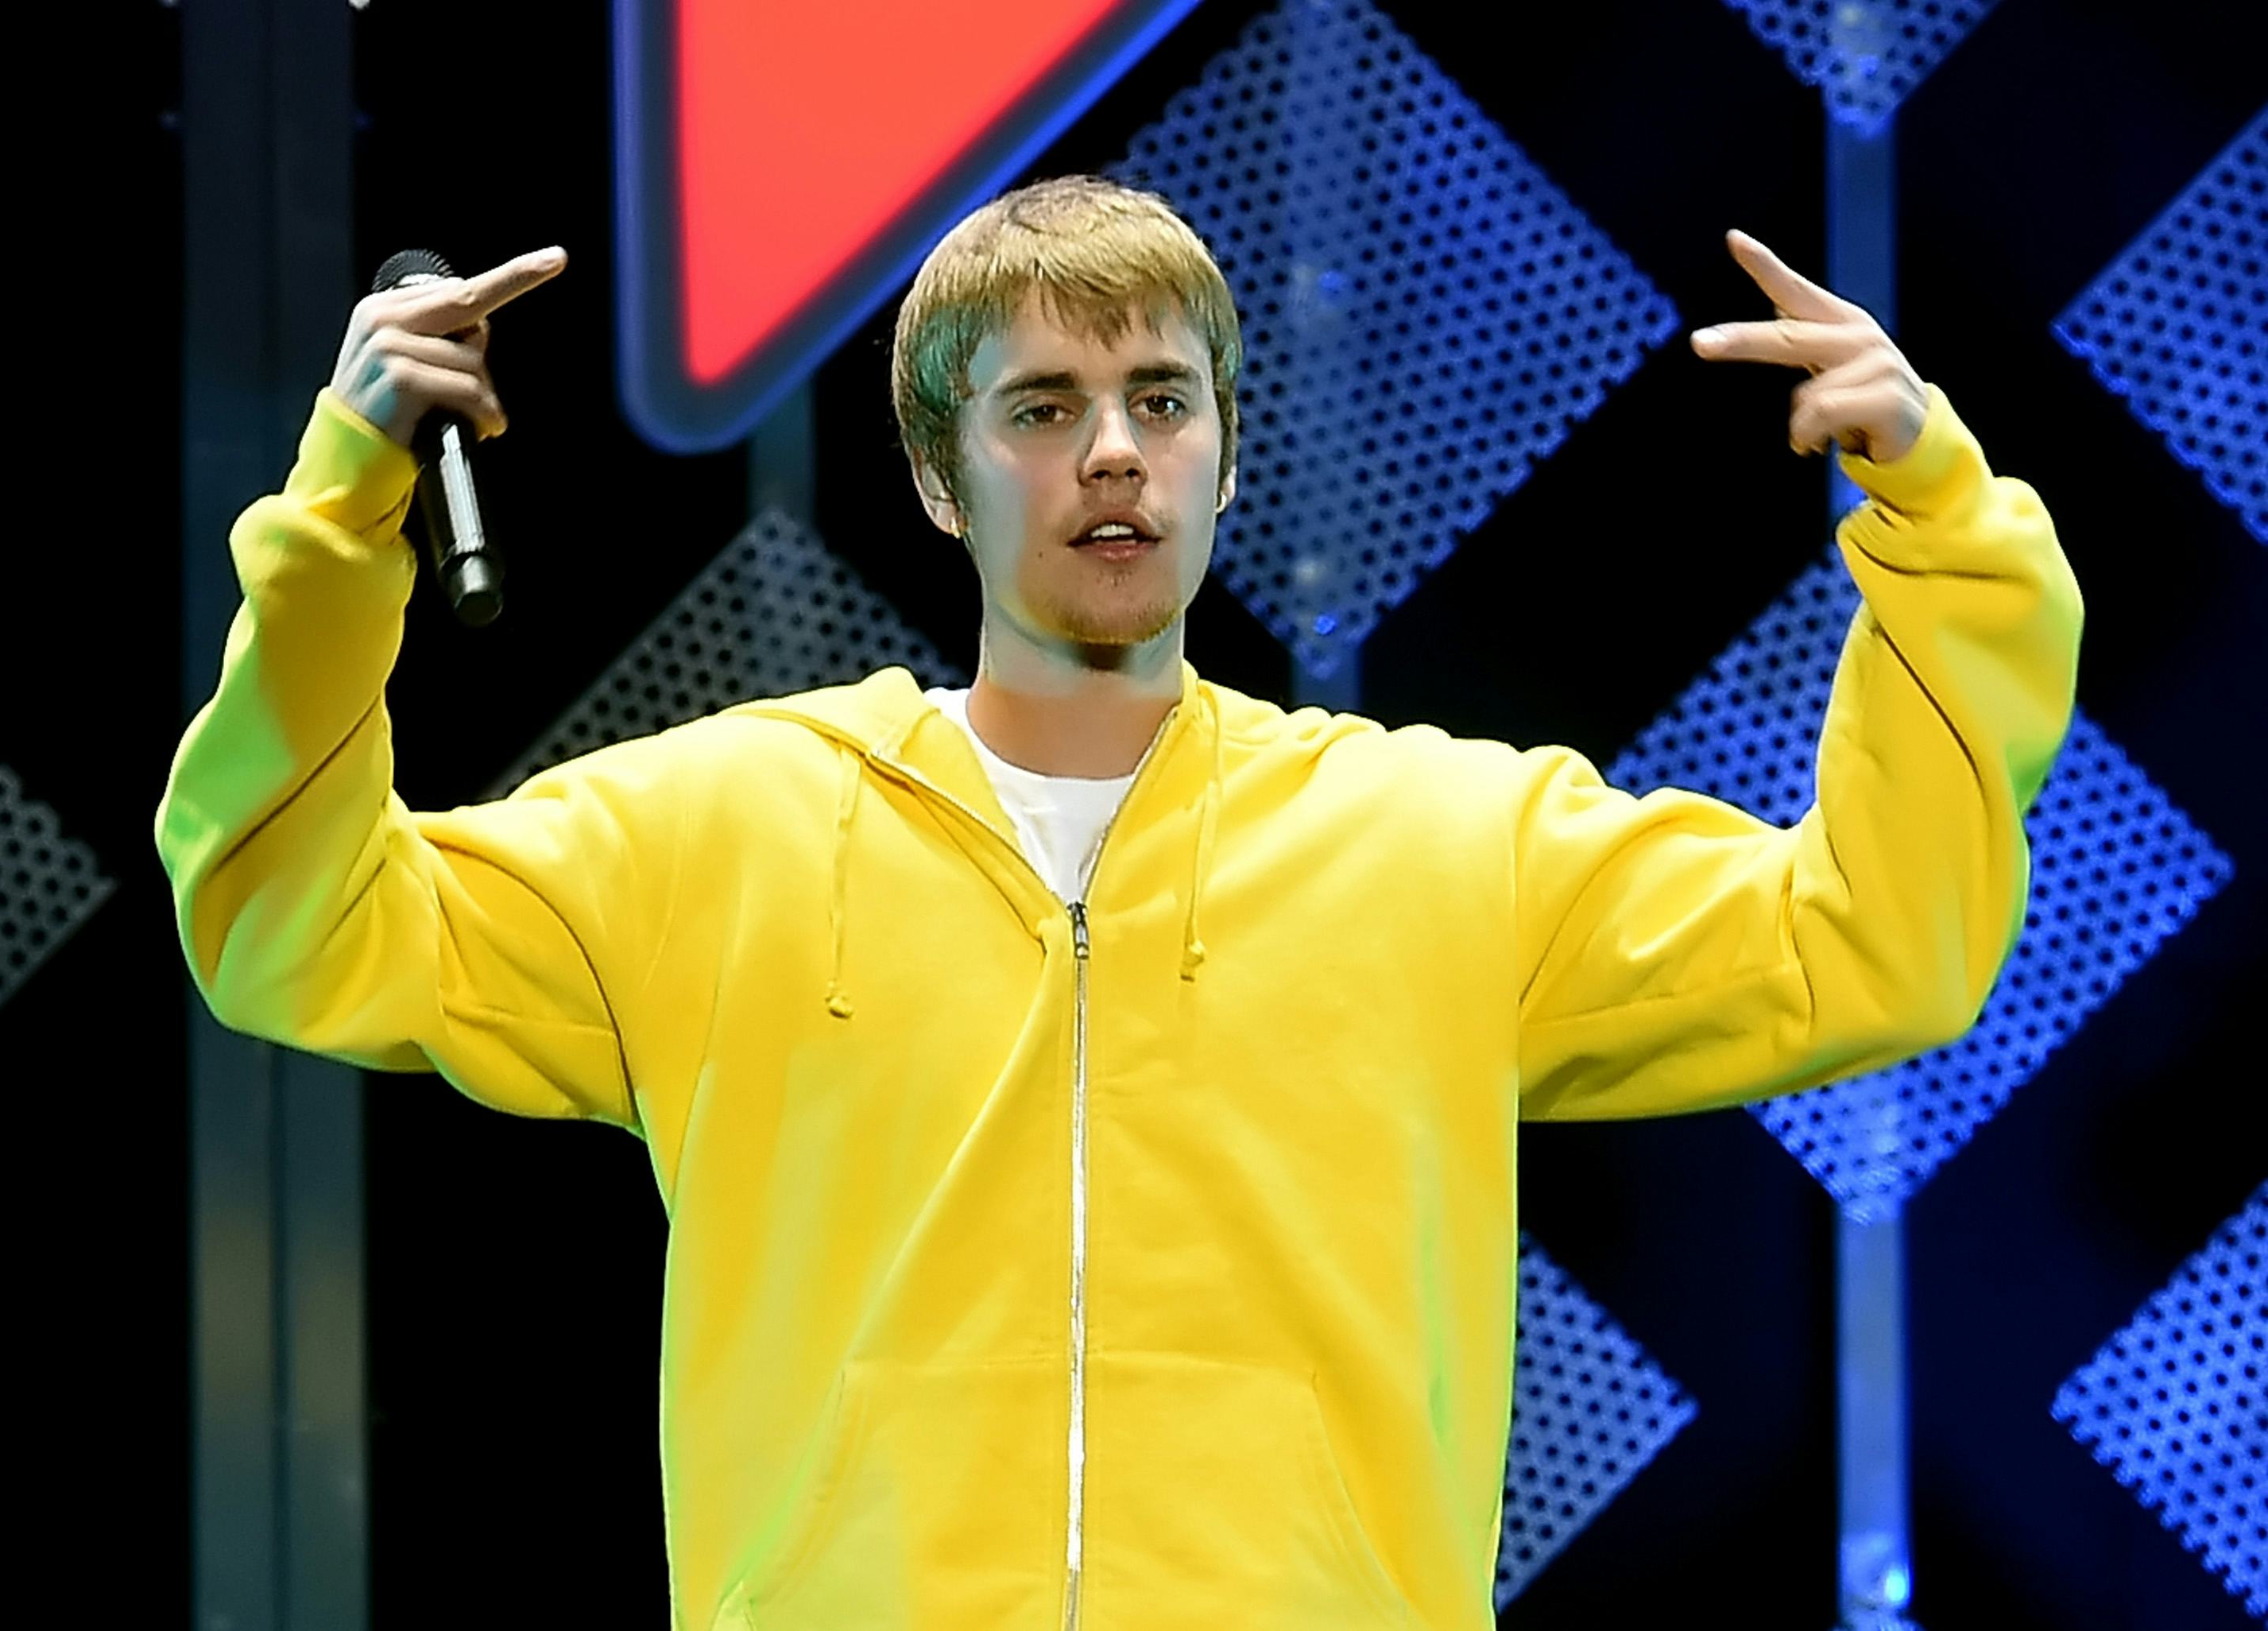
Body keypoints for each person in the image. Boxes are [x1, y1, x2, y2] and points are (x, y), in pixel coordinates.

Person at [155, 176, 2082, 1629]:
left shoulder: (1440, 839)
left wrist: (1943, 522)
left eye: (1163, 400)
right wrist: (345, 516)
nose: (1112, 454)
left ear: (1225, 454)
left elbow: (1869, 943)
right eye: (1042, 406)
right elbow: (293, 923)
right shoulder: (721, 828)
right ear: (939, 476)